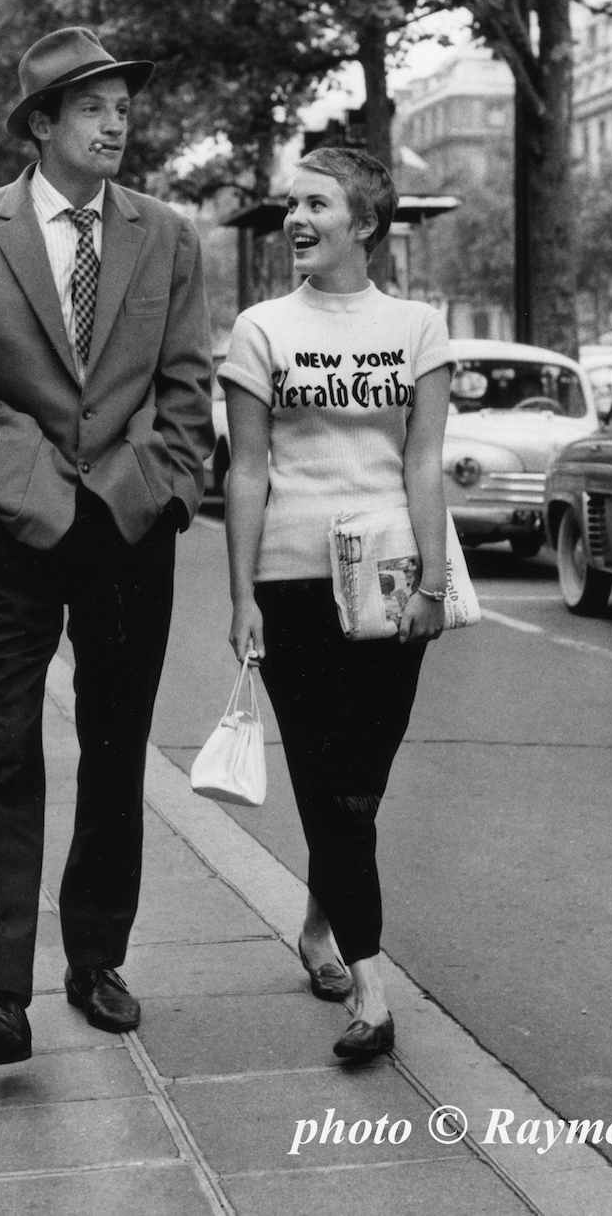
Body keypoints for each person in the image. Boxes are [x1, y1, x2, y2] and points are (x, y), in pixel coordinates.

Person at [0, 26, 214, 1065]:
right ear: (42, 125)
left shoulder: (166, 236)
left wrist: (159, 491)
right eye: (93, 106)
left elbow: (185, 389)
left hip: (127, 528)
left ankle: (94, 961)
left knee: (116, 750)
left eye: (123, 104)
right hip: (13, 529)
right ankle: (0, 994)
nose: (117, 121)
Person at [220, 147, 452, 1061]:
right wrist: (240, 593)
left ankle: (319, 931)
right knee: (331, 786)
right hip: (290, 582)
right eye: (290, 204)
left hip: (391, 581)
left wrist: (434, 581)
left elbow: (423, 460)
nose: (296, 219)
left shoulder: (417, 327)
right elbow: (244, 469)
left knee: (361, 783)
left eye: (317, 204)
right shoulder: (259, 328)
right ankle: (373, 991)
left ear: (365, 223)